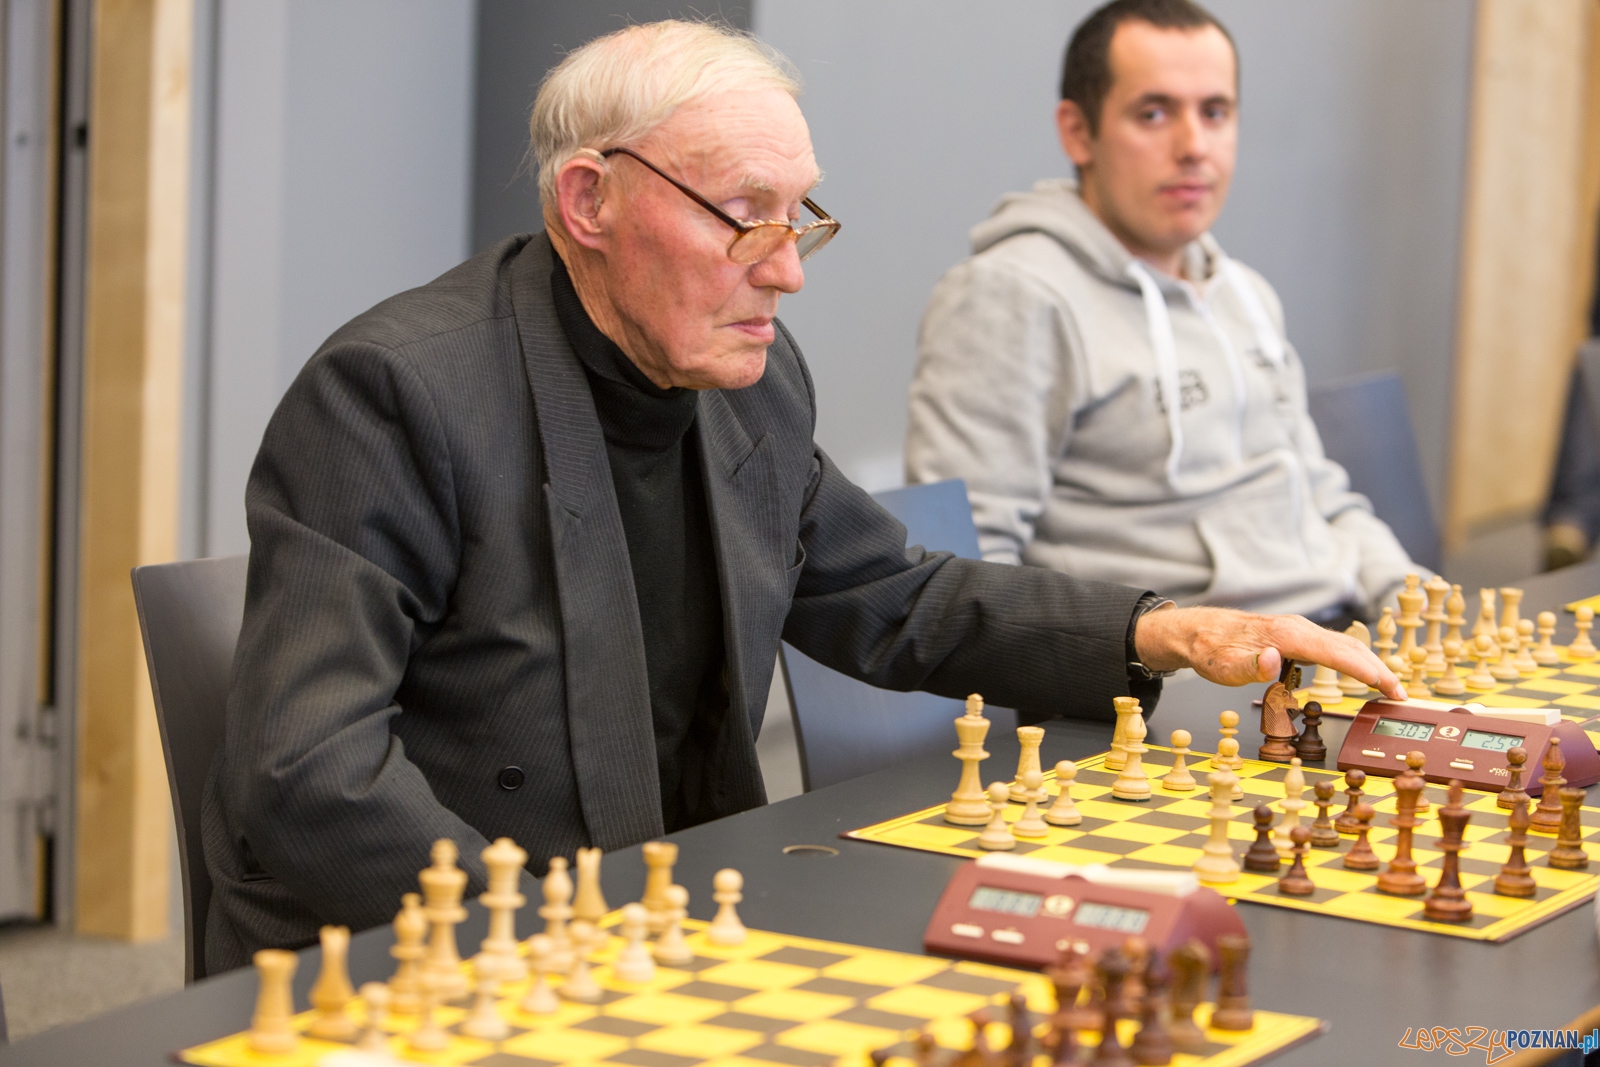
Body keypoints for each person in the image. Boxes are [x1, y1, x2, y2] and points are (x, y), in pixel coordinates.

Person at [201, 19, 1399, 972]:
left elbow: (891, 593)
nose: (785, 266)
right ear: (587, 202)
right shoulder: (395, 393)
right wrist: (554, 938)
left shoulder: (747, 381)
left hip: (682, 913)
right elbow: (309, 770)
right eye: (742, 215)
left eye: (799, 214)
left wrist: (1168, 628)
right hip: (452, 953)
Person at [905, 0, 1418, 623]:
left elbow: (1316, 493)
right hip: (1176, 684)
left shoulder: (1245, 293)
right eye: (1154, 113)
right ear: (1078, 132)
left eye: (1216, 112)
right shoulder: (1012, 295)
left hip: (1333, 641)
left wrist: (1413, 603)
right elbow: (968, 566)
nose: (1194, 146)